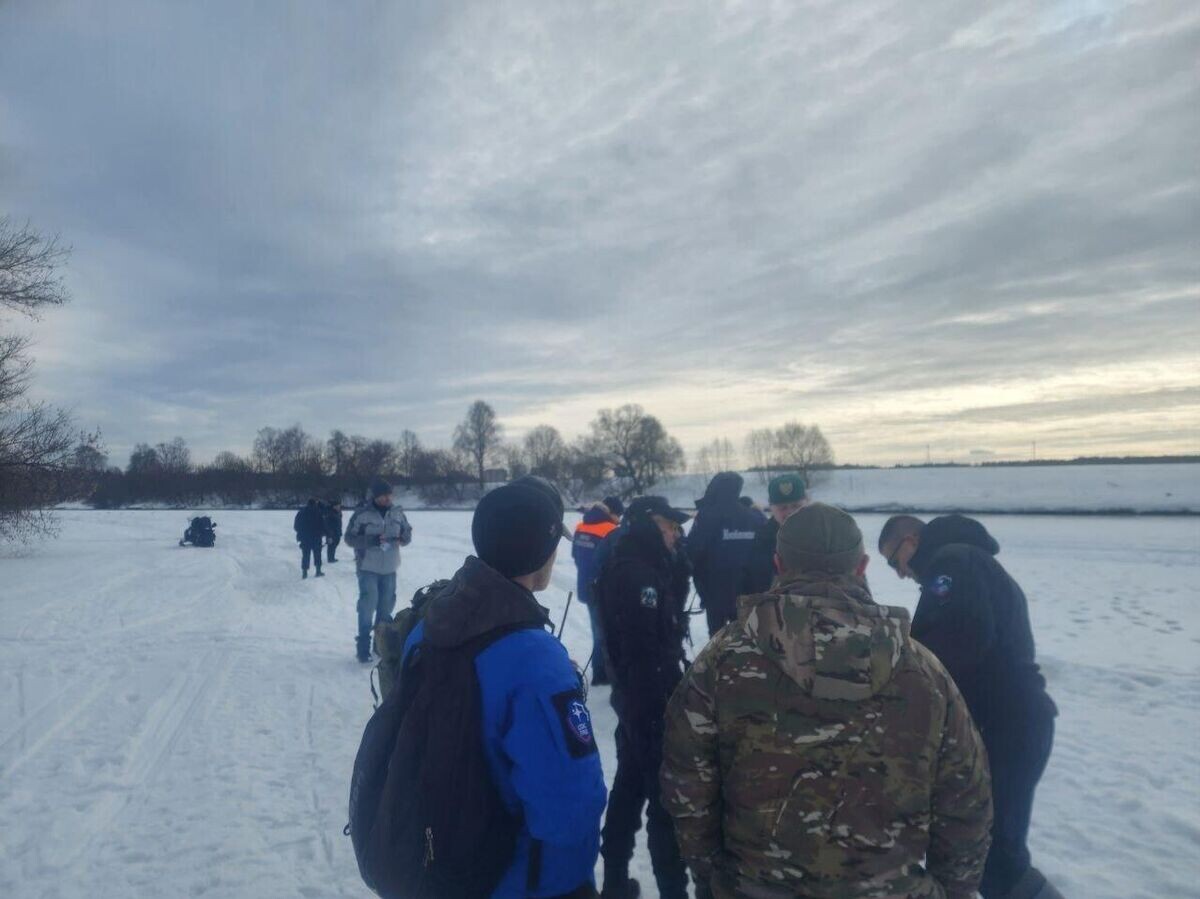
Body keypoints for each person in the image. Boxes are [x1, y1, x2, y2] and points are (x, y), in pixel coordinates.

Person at [662, 503, 994, 899]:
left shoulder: (722, 661)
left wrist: (713, 875)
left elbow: (687, 783)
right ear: (861, 566)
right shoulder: (922, 669)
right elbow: (965, 798)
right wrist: (950, 890)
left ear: (778, 564)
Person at [402, 480, 606, 897]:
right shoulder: (535, 660)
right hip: (524, 882)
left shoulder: (429, 625)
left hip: (440, 859)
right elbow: (569, 808)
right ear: (540, 553)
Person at [878, 514, 1063, 899]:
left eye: (895, 560)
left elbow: (960, 639)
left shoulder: (953, 561)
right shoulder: (966, 563)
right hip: (1011, 723)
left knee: (997, 861)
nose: (899, 573)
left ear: (911, 540)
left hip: (1008, 726)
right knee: (989, 855)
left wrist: (903, 678)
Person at [596, 496, 693, 899]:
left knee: (629, 788)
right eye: (670, 526)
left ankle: (615, 880)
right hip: (649, 702)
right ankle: (672, 890)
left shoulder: (644, 565)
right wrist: (655, 710)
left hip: (639, 699)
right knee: (663, 805)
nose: (675, 534)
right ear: (650, 523)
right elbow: (642, 650)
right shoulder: (637, 575)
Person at [686, 471, 765, 636]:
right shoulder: (754, 517)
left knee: (717, 642)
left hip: (715, 597)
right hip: (749, 597)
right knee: (748, 640)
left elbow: (691, 552)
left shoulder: (706, 516)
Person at [344, 479, 412, 663]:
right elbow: (349, 538)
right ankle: (363, 647)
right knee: (367, 606)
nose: (387, 498)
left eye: (389, 495)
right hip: (368, 567)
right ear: (375, 496)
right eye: (383, 495)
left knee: (385, 608)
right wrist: (371, 541)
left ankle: (379, 645)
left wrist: (403, 538)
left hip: (390, 568)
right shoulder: (362, 514)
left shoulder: (397, 512)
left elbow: (407, 532)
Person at [571, 500, 621, 686]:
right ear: (611, 513)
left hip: (585, 585)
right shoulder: (611, 530)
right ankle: (602, 674)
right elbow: (614, 560)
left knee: (597, 628)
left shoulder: (580, 527)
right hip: (603, 588)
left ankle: (601, 671)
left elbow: (575, 555)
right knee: (605, 631)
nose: (619, 519)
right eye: (618, 515)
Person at [739, 472, 808, 594]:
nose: (790, 512)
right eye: (783, 508)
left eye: (796, 506)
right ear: (771, 508)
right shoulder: (760, 543)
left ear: (807, 503)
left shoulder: (825, 537)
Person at [293, 498, 326, 579]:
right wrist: (324, 533)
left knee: (305, 555)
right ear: (315, 504)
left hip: (305, 537)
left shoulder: (301, 512)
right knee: (317, 554)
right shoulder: (318, 512)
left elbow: (296, 526)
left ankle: (304, 573)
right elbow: (323, 525)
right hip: (316, 537)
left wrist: (301, 532)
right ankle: (318, 571)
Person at [323, 499, 344, 563]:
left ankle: (332, 557)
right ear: (334, 506)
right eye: (338, 506)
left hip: (337, 532)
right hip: (331, 533)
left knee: (335, 544)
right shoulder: (330, 513)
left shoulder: (337, 513)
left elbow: (339, 522)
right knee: (331, 545)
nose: (339, 507)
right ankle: (330, 558)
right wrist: (329, 534)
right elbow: (327, 524)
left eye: (339, 506)